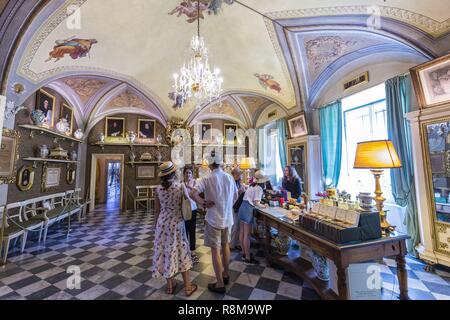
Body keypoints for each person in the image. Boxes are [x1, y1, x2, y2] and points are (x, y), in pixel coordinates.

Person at [191, 152, 238, 293]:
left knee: (215, 251)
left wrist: (203, 202)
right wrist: (227, 207)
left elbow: (193, 193)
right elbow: (235, 195)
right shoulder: (229, 177)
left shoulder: (207, 178)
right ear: (220, 162)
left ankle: (219, 283)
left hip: (213, 219)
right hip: (227, 218)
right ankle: (226, 275)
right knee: (225, 246)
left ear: (210, 164)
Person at [151, 161, 197, 297]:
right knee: (182, 251)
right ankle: (188, 287)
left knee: (165, 251)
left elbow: (157, 211)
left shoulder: (158, 189)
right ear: (174, 173)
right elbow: (188, 202)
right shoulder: (180, 186)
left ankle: (170, 286)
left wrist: (155, 227)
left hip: (162, 224)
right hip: (177, 223)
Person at [239, 170, 268, 265]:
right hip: (248, 209)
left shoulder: (252, 186)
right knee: (247, 235)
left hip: (242, 207)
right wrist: (265, 206)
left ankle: (244, 254)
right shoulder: (259, 188)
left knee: (242, 233)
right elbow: (256, 203)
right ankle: (248, 258)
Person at [183, 165, 200, 265]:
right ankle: (184, 251)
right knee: (184, 230)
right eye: (186, 173)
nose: (188, 174)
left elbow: (196, 193)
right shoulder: (181, 184)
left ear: (192, 174)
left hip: (193, 209)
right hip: (184, 209)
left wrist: (188, 186)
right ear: (184, 174)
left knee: (192, 230)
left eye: (189, 173)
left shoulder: (195, 183)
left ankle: (193, 251)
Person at [231, 167, 245, 251]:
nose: (241, 177)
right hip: (233, 205)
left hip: (238, 205)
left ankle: (237, 243)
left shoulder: (238, 182)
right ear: (235, 175)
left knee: (239, 226)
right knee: (234, 226)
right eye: (240, 175)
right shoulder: (231, 182)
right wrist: (240, 191)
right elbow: (232, 194)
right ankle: (231, 244)